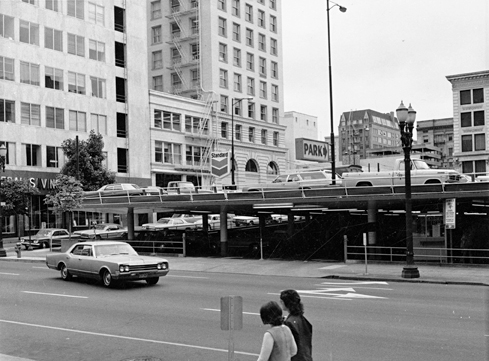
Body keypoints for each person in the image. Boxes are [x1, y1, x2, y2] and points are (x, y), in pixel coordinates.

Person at [280, 289, 313, 361]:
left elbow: (288, 347)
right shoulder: (302, 319)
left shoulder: (289, 323)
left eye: (282, 301)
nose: (280, 303)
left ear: (286, 303)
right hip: (307, 357)